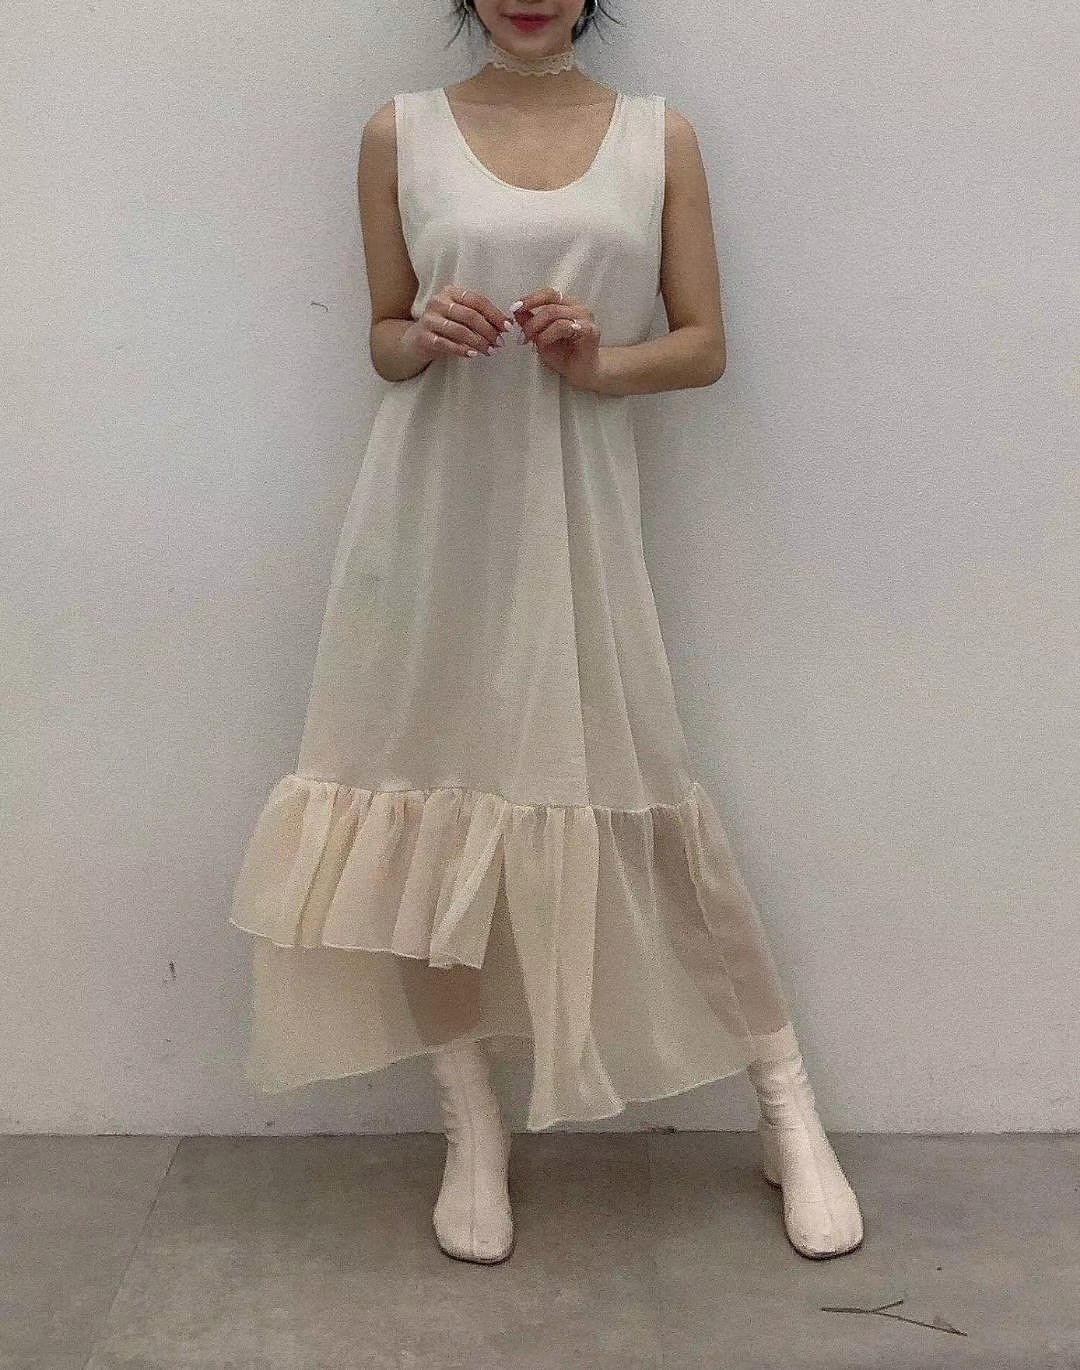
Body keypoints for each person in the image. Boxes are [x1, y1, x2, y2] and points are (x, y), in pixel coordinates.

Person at [228, 0, 864, 1267]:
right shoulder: (396, 133)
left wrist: (600, 361)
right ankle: (470, 1122)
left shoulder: (658, 137)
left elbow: (705, 344)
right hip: (426, 517)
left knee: (643, 788)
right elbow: (383, 340)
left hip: (579, 514)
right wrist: (424, 331)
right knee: (427, 800)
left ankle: (788, 1106)